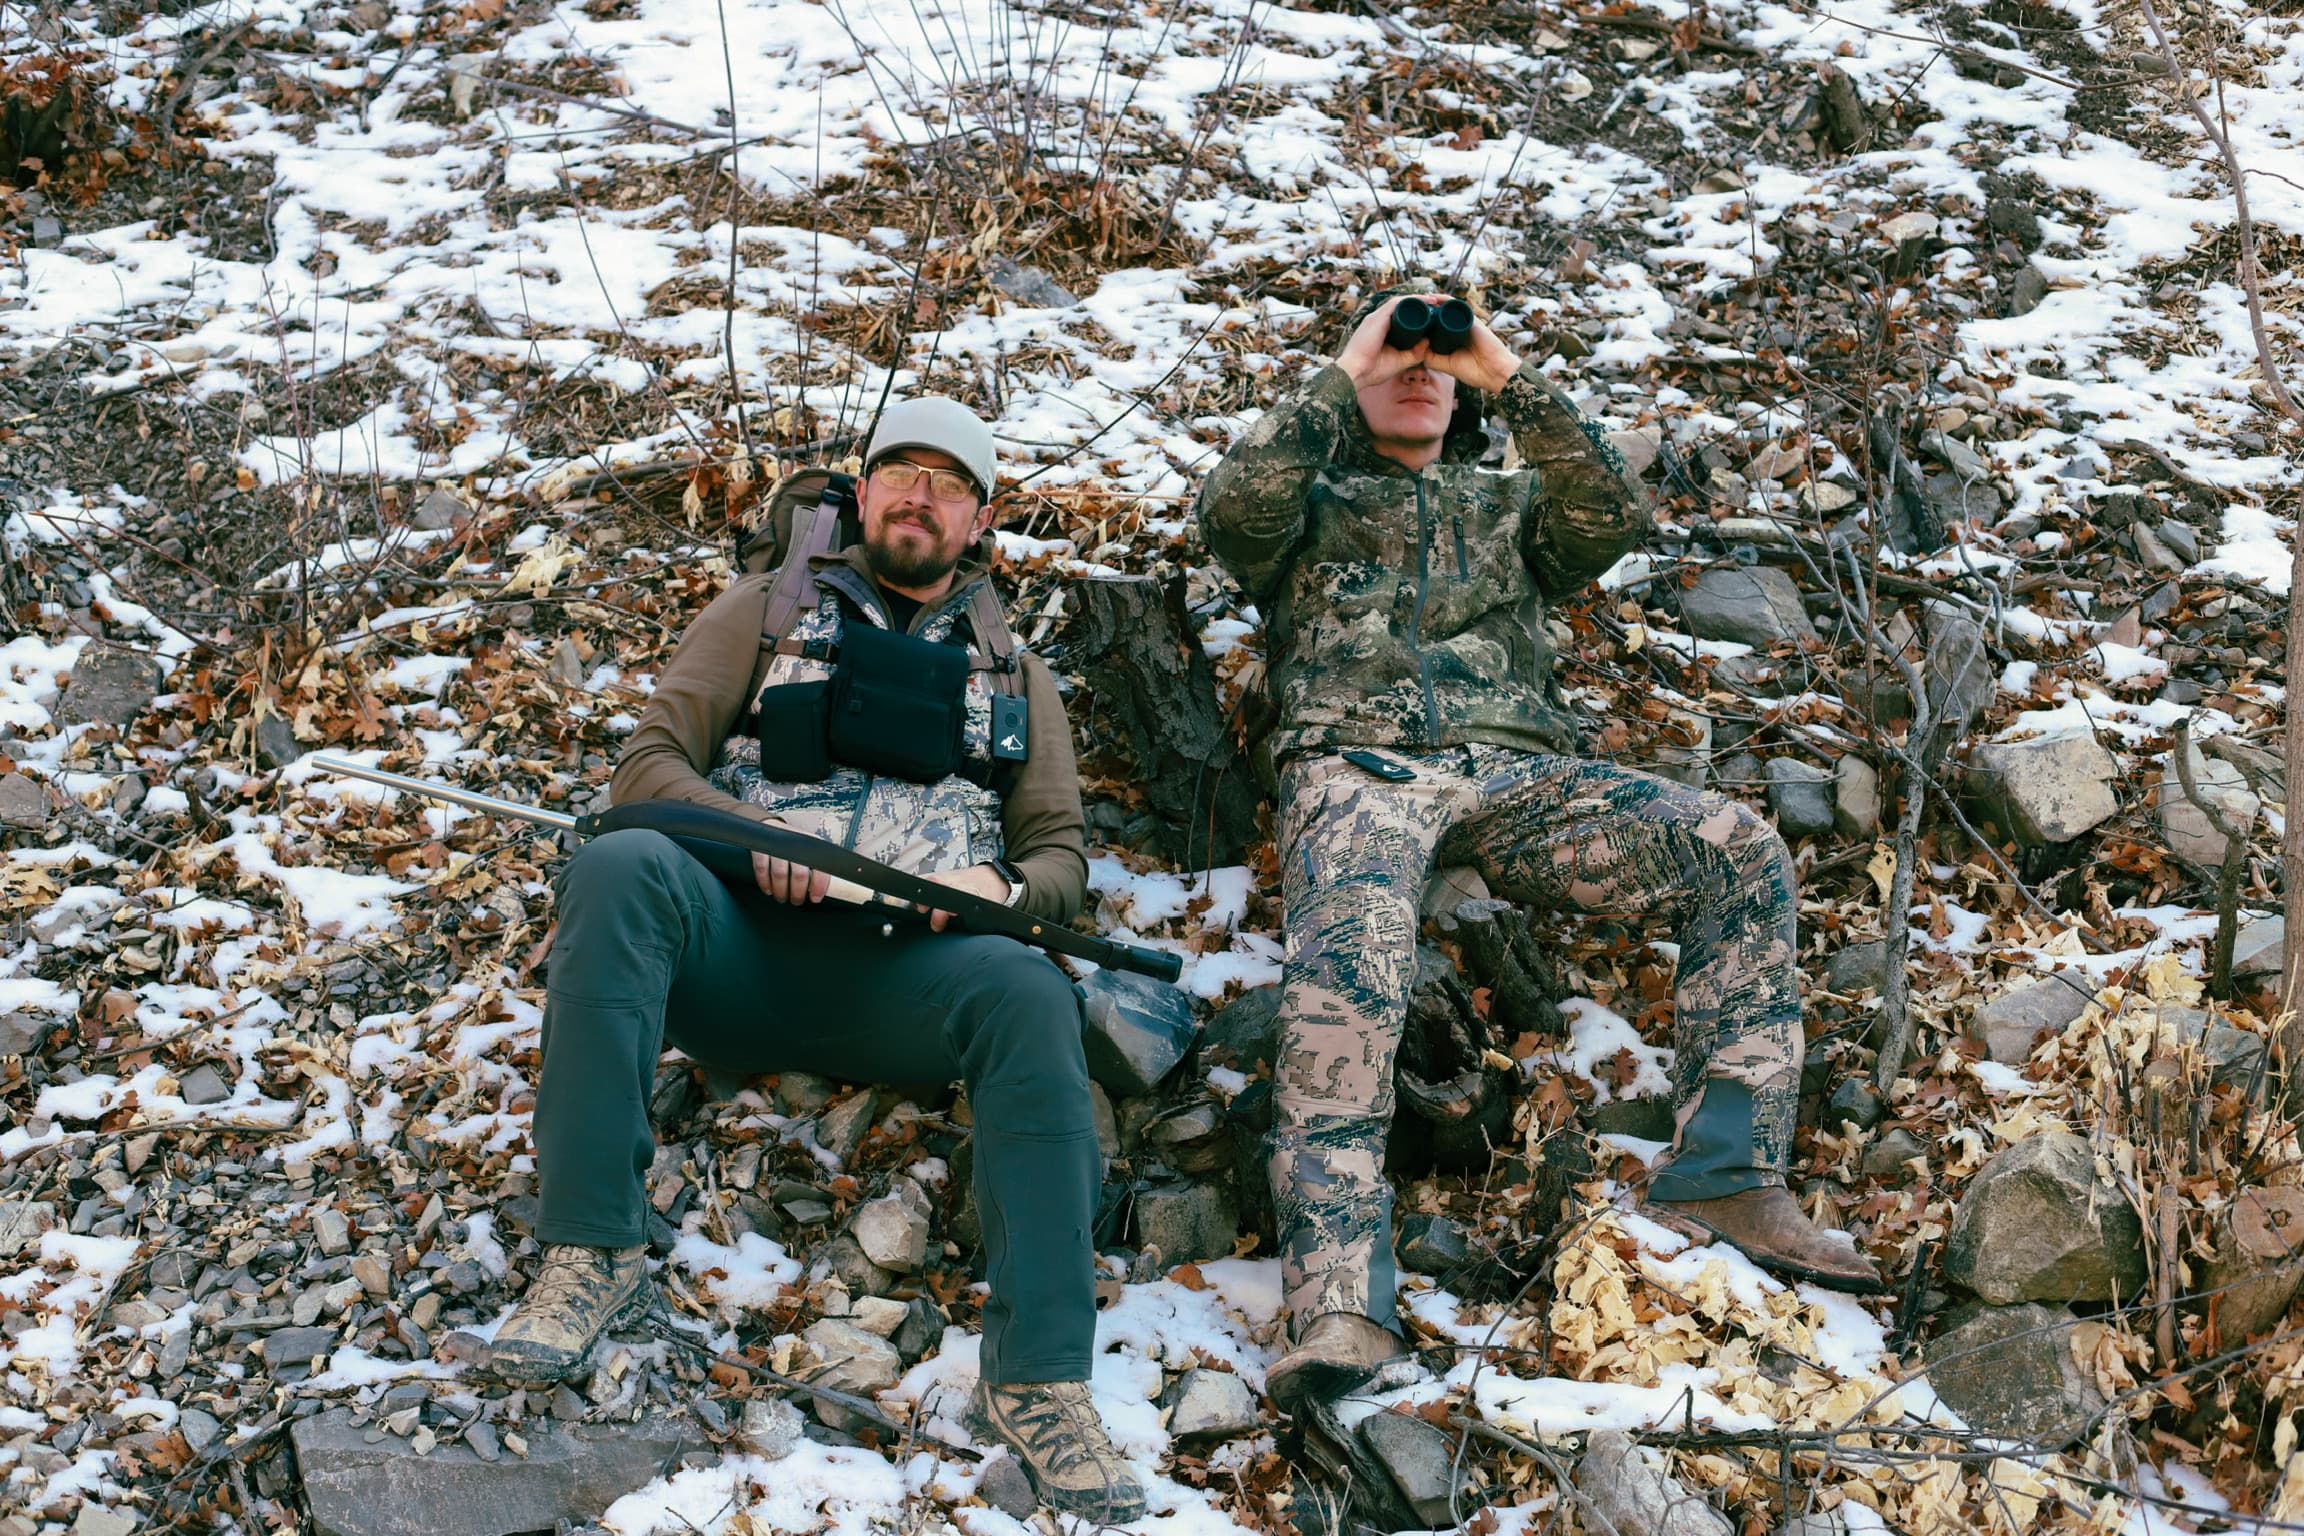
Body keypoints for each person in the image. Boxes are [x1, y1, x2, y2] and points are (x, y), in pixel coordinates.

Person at [1197, 292, 1885, 1411]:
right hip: (1357, 768)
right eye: (1397, 357)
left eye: (1438, 361)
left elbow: (1611, 516)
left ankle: (1727, 1175)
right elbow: (1230, 513)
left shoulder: (1509, 501)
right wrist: (1347, 365)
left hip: (1514, 774)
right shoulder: (1306, 498)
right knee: (1350, 968)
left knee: (1737, 848)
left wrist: (1505, 372)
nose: (1419, 371)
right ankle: (1337, 1301)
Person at [487, 397, 1147, 1522]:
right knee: (617, 868)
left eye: (948, 481)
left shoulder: (1015, 672)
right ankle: (587, 1248)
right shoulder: (762, 608)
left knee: (1034, 991)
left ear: (981, 516)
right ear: (863, 490)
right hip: (734, 961)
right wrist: (761, 843)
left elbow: (1060, 858)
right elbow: (646, 769)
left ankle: (1040, 1375)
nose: (920, 495)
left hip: (908, 988)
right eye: (901, 471)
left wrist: (1001, 894)